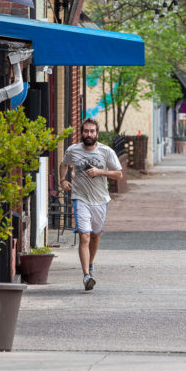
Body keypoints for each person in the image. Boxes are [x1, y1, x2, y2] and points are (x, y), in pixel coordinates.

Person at [58, 118, 123, 291]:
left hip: (100, 199)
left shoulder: (106, 151)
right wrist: (62, 180)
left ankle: (91, 264)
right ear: (81, 133)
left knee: (95, 235)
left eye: (92, 131)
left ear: (97, 133)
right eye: (86, 131)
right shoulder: (73, 150)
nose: (89, 134)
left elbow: (119, 174)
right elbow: (64, 164)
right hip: (80, 198)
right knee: (84, 235)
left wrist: (100, 171)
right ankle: (86, 275)